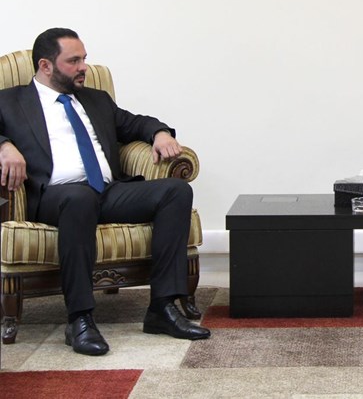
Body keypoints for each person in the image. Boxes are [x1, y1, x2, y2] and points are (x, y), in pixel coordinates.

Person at [0, 28, 210, 356]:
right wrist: (4, 145)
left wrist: (159, 133)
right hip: (55, 196)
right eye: (73, 61)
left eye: (84, 59)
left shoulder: (95, 99)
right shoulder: (10, 101)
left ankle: (163, 307)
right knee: (79, 198)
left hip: (107, 191)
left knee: (175, 191)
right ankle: (80, 319)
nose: (84, 67)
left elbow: (135, 122)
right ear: (45, 65)